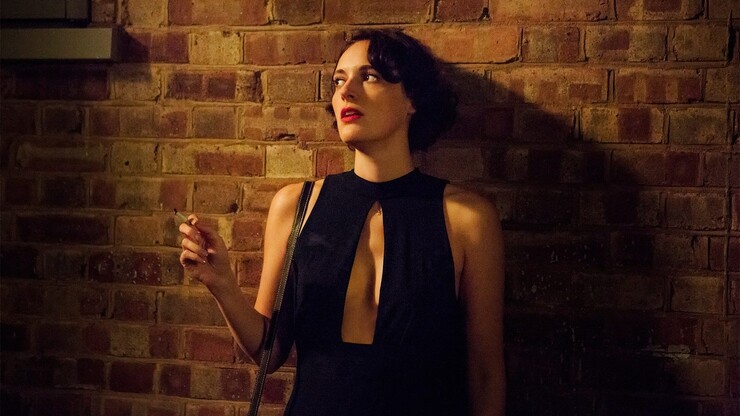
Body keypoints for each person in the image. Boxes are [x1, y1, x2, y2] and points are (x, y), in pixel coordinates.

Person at [179, 29, 505, 416]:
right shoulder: (295, 206)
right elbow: (269, 352)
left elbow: (485, 374)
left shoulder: (467, 218)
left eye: (370, 76)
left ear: (412, 99)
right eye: (338, 81)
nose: (346, 92)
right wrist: (222, 285)